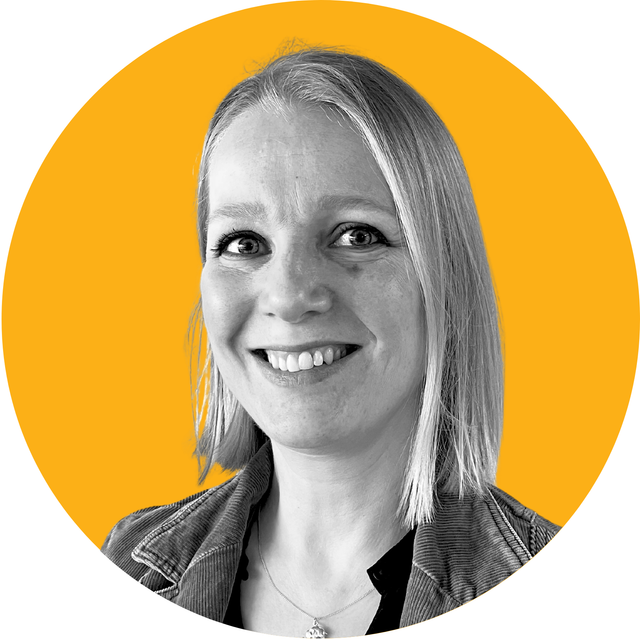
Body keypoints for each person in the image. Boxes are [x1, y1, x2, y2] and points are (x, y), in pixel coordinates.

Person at [102, 46, 559, 637]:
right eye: (244, 243)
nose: (289, 296)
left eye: (356, 235)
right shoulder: (127, 567)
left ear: (444, 278)